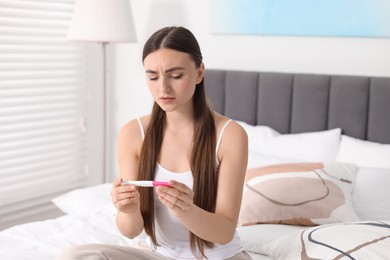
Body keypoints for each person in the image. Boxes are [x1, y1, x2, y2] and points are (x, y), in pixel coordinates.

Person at [56, 26, 250, 260]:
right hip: (160, 255)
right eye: (153, 76)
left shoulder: (229, 135)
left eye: (176, 75)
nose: (163, 88)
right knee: (75, 256)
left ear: (199, 73)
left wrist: (187, 210)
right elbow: (131, 230)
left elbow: (224, 232)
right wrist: (128, 209)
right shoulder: (133, 133)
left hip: (220, 257)